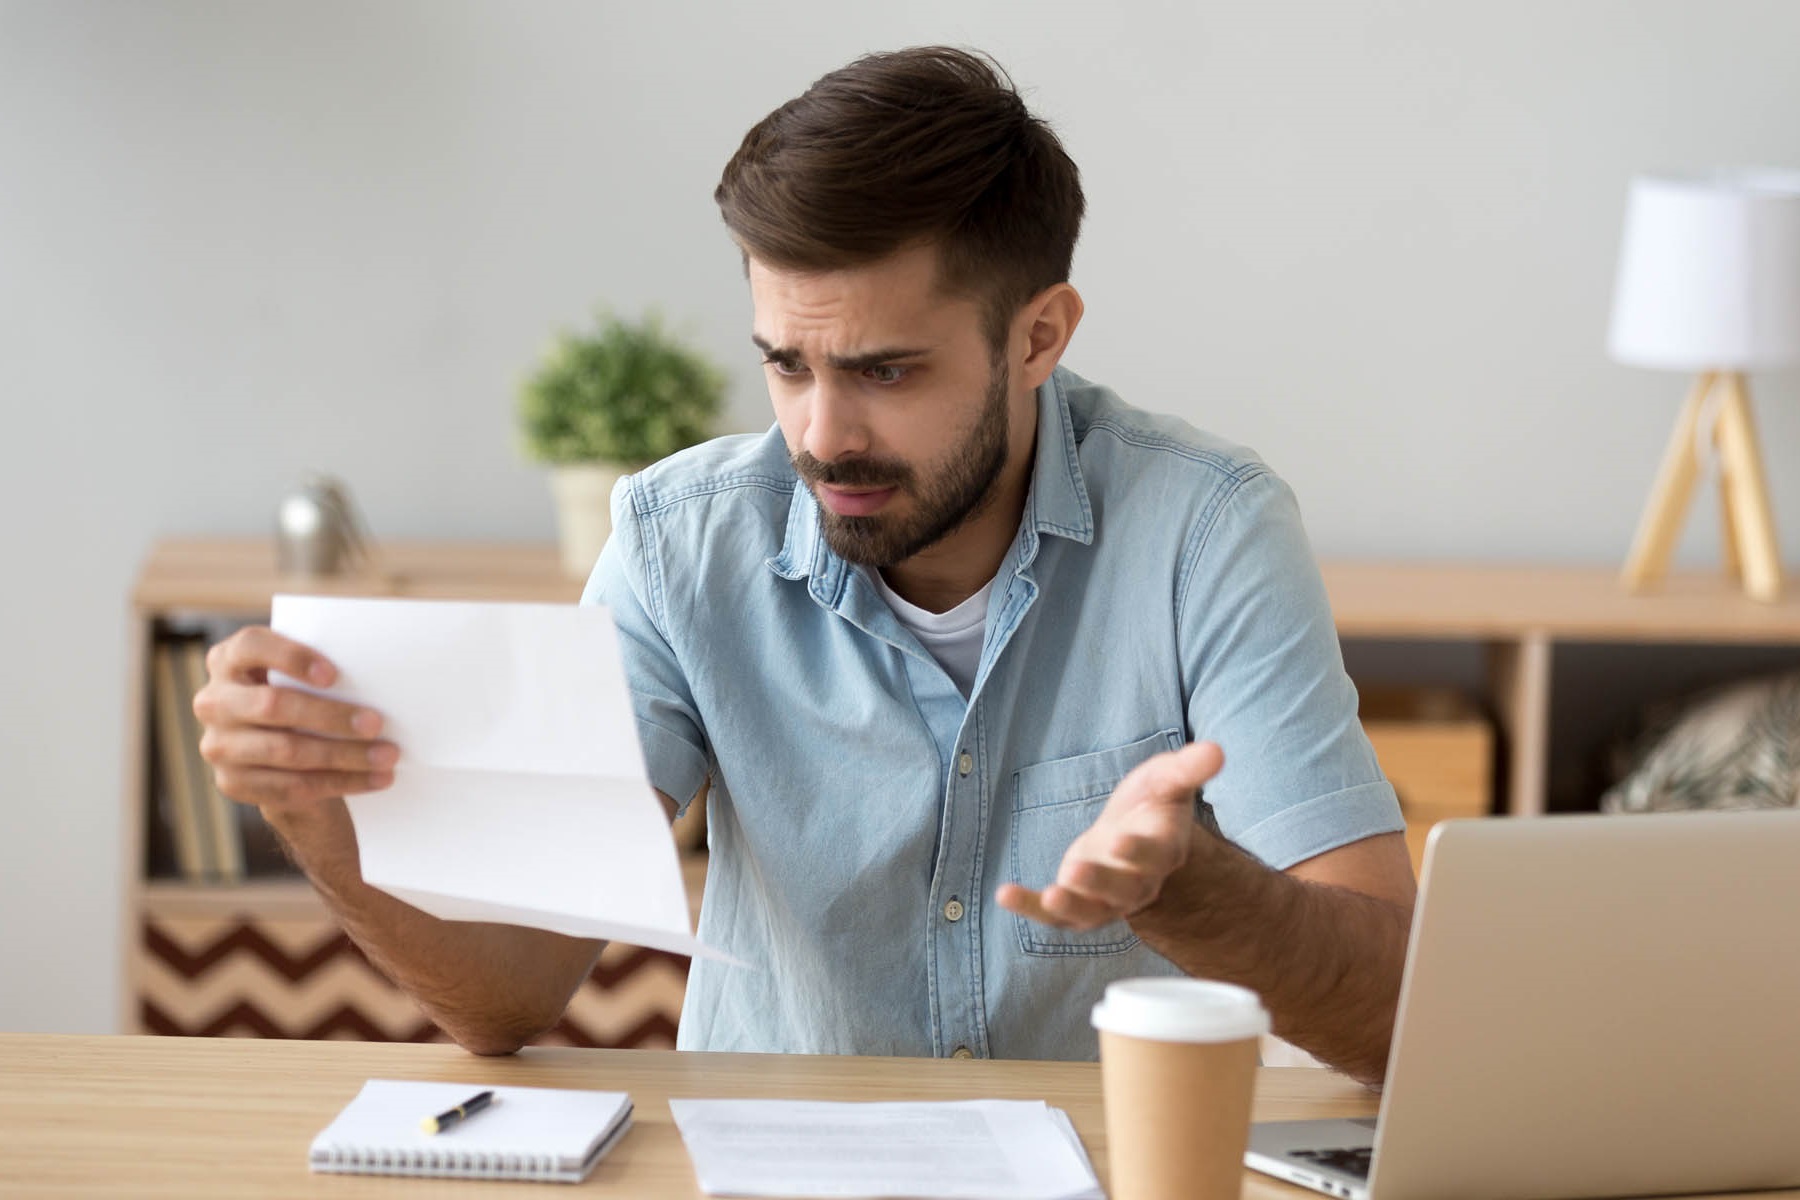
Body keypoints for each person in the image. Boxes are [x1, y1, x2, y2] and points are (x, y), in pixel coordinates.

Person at [193, 46, 1416, 1085]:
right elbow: (511, 997)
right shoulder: (679, 546)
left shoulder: (1207, 534)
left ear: (1038, 336)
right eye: (787, 364)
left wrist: (1196, 890)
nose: (822, 436)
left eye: (884, 370)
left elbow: (1391, 1012)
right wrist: (315, 817)